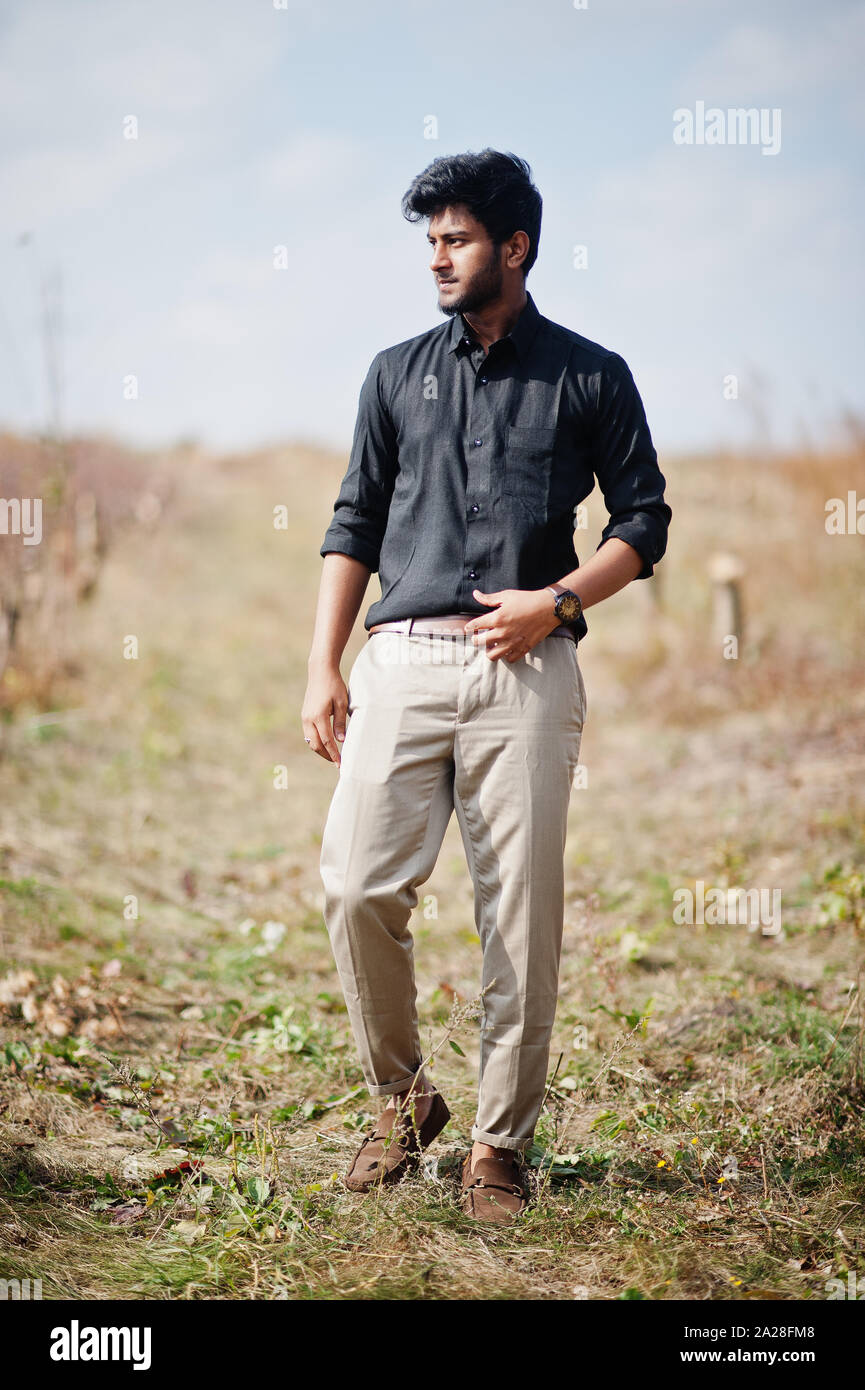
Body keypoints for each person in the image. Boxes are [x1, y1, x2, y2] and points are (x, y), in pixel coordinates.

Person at [301, 149, 671, 1224]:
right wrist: (325, 662)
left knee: (519, 913)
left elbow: (642, 520)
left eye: (456, 239)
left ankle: (497, 1146)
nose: (438, 258)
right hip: (400, 660)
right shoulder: (391, 371)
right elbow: (353, 521)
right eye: (429, 241)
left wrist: (555, 601)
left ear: (514, 246)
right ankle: (404, 1098)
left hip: (527, 663)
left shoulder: (590, 372)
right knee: (356, 884)